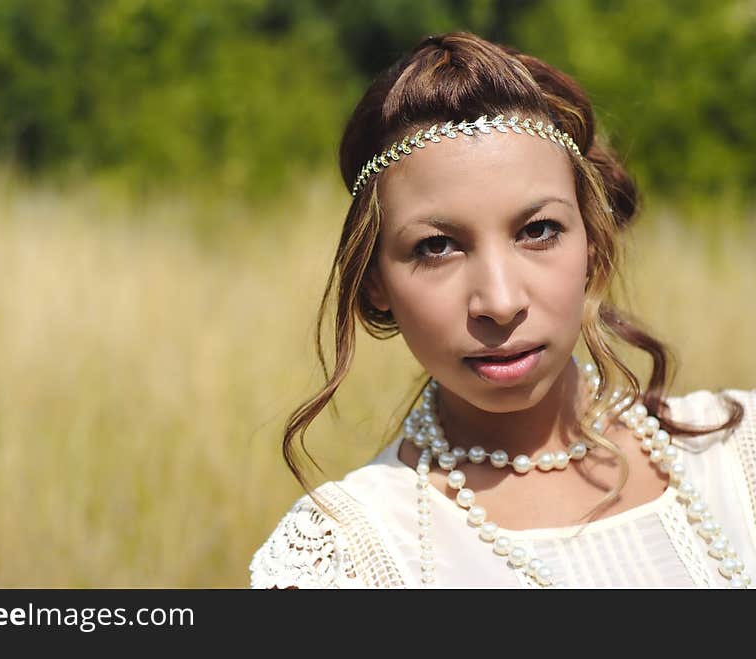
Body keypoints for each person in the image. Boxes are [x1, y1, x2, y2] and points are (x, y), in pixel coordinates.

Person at [249, 31, 754, 588]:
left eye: (538, 231)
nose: (501, 302)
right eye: (436, 246)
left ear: (592, 243)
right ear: (375, 283)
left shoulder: (737, 454)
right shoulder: (344, 559)